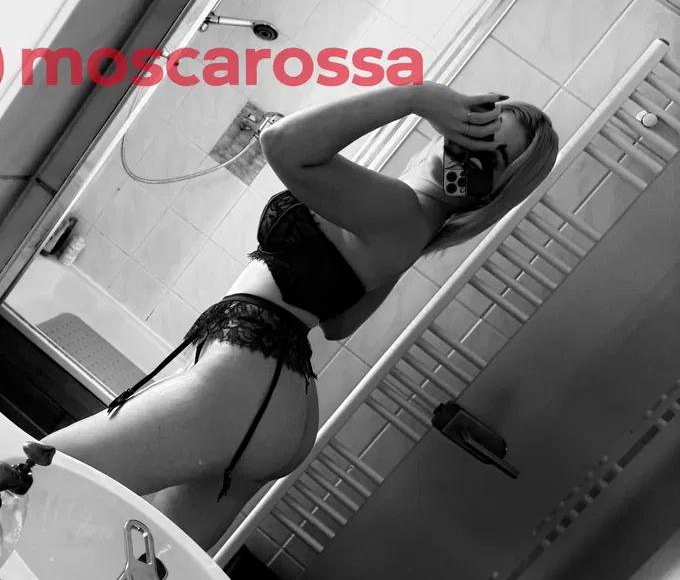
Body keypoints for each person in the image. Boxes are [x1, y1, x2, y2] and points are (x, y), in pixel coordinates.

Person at [41, 81, 559, 550]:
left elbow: (281, 143)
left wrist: (414, 97)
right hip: (280, 410)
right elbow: (339, 323)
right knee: (140, 563)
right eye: (478, 127)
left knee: (28, 473)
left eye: (492, 156)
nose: (469, 145)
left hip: (246, 386)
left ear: (494, 190)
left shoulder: (402, 209)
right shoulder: (415, 226)